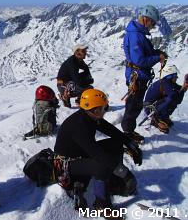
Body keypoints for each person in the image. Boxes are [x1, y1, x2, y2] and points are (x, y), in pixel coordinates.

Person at [54, 89, 142, 219]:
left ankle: (112, 182)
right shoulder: (79, 125)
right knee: (103, 166)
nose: (104, 111)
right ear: (92, 109)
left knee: (115, 144)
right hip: (68, 163)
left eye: (105, 108)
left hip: (81, 152)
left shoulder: (90, 116)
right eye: (101, 109)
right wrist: (124, 172)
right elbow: (97, 154)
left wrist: (130, 143)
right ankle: (101, 205)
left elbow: (110, 130)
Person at [121, 5, 168, 143]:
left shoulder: (138, 33)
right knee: (133, 106)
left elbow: (143, 53)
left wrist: (156, 53)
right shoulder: (136, 35)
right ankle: (127, 133)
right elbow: (140, 60)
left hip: (138, 75)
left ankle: (128, 130)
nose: (153, 26)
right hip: (137, 76)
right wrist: (157, 58)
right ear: (145, 19)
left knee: (134, 105)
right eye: (152, 22)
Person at [144, 65, 188, 133]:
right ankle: (156, 119)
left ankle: (163, 117)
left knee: (172, 98)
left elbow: (179, 91)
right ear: (170, 76)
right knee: (170, 99)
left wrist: (185, 85)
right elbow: (174, 95)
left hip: (155, 105)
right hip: (150, 108)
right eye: (175, 76)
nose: (176, 77)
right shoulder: (165, 83)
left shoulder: (169, 82)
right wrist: (182, 90)